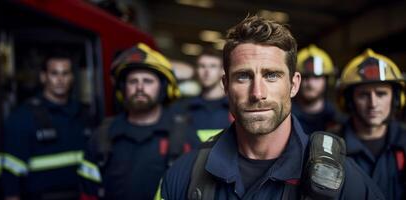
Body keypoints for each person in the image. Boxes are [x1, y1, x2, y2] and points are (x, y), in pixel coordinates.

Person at [159, 15, 385, 200]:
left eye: (271, 75)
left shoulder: (345, 181)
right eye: (243, 77)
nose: (257, 93)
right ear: (226, 86)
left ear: (294, 84)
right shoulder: (185, 176)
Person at [78, 43, 198, 200]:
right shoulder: (102, 137)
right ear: (123, 88)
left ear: (162, 88)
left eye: (148, 81)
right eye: (133, 81)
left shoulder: (184, 137)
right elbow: (88, 194)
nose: (140, 87)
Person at [0, 52, 94, 200]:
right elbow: (11, 177)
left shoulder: (83, 115)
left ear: (72, 77)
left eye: (65, 73)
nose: (60, 79)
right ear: (44, 77)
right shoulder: (23, 117)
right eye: (54, 73)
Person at [334, 49, 406, 200]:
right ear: (349, 101)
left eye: (381, 94)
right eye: (363, 95)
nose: (373, 104)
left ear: (396, 99)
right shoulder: (330, 147)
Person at [172, 49, 232, 142]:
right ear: (196, 70)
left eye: (213, 66)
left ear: (222, 71)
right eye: (202, 66)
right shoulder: (184, 108)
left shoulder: (234, 106)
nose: (207, 72)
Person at [292, 44, 344, 134]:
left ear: (327, 80)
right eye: (305, 77)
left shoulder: (337, 119)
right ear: (295, 80)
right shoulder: (285, 116)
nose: (310, 83)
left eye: (317, 77)